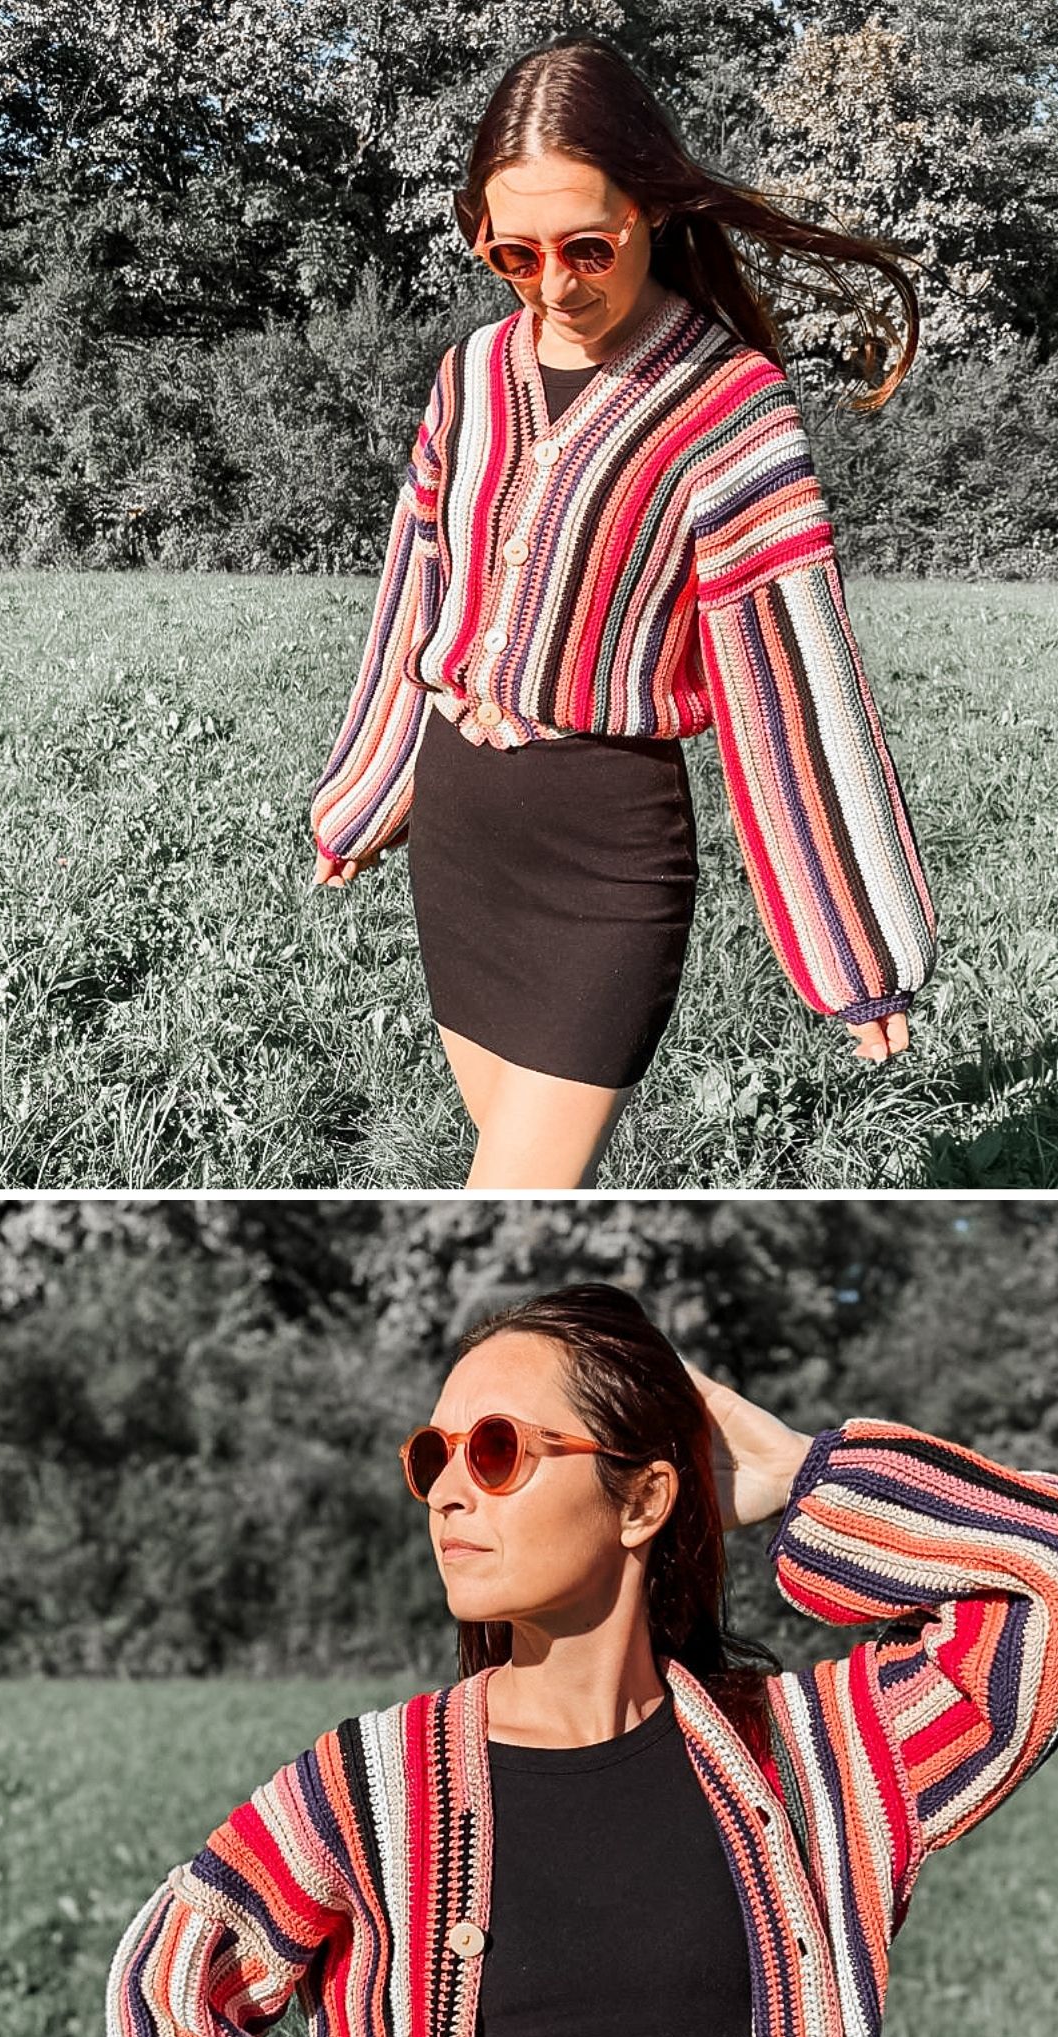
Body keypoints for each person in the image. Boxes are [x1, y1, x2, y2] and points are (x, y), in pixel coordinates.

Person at [106, 1282, 1058, 2037]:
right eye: (433, 1456)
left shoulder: (801, 1768)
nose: (450, 1491)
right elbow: (167, 1982)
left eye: (498, 1451)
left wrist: (800, 1477)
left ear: (643, 1497)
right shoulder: (379, 1784)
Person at [307, 35, 939, 1189]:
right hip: (462, 838)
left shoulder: (728, 402)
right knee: (512, 1187)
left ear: (649, 208)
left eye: (587, 246)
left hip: (603, 852)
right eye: (514, 254)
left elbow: (789, 678)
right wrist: (365, 795)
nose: (555, 285)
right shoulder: (470, 376)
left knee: (513, 1192)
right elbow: (416, 597)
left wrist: (859, 947)